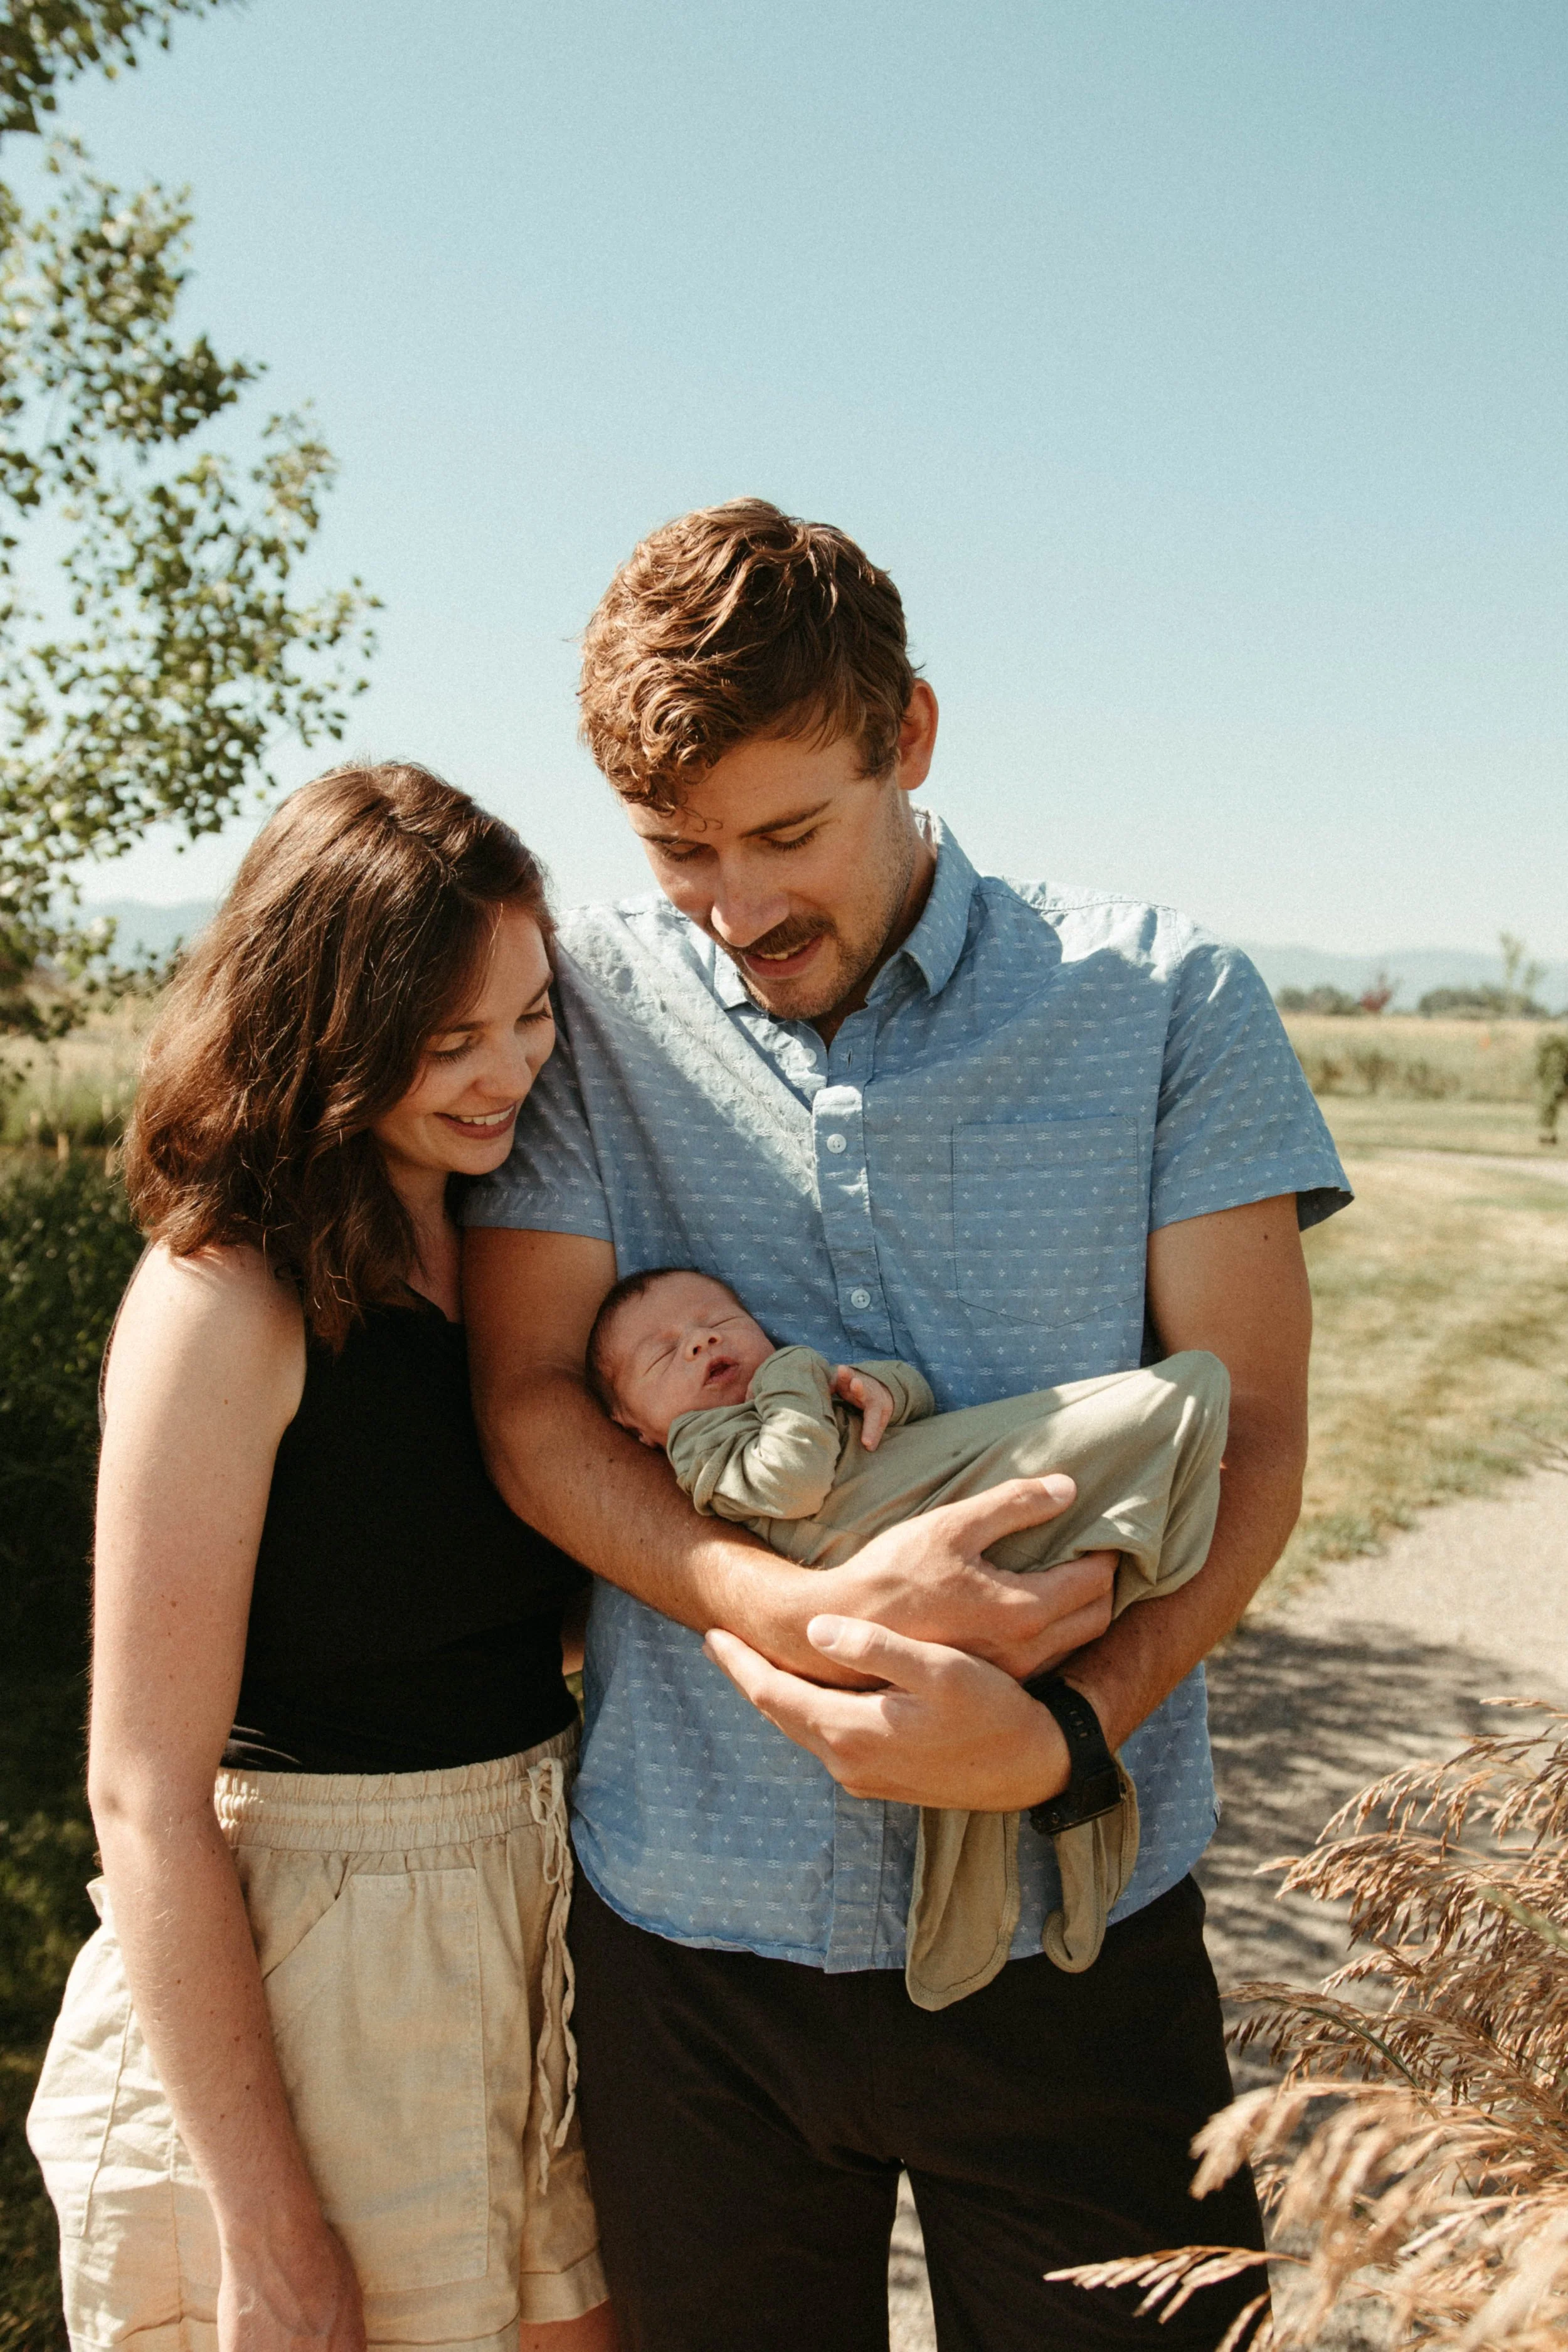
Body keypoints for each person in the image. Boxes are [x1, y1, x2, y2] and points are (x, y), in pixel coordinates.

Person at [462, 499, 1350, 2352]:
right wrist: (779, 1607)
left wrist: (1060, 1734)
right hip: (686, 1944)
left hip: (1075, 1938)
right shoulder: (584, 1011)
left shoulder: (1165, 999)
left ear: (910, 737)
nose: (737, 906)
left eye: (788, 832)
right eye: (678, 847)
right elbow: (530, 1403)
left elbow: (1254, 1437)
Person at [28, 765, 615, 2352]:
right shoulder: (223, 1296)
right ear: (328, 1028)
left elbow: (492, 1614)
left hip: (529, 1916)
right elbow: (143, 1790)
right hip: (304, 1961)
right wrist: (271, 2228)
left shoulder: (510, 1247)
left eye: (532, 1017)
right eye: (448, 1040)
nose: (508, 1072)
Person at [587, 1263, 1229, 2002]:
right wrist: (794, 1374)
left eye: (718, 1322)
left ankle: (1070, 1896)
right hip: (899, 1556)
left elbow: (908, 1407)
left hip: (939, 1517)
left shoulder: (796, 1397)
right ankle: (1008, 1924)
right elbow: (791, 1479)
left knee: (1187, 1399)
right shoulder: (704, 1443)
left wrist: (881, 1389)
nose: (701, 1343)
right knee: (1185, 1396)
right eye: (664, 1353)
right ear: (633, 1426)